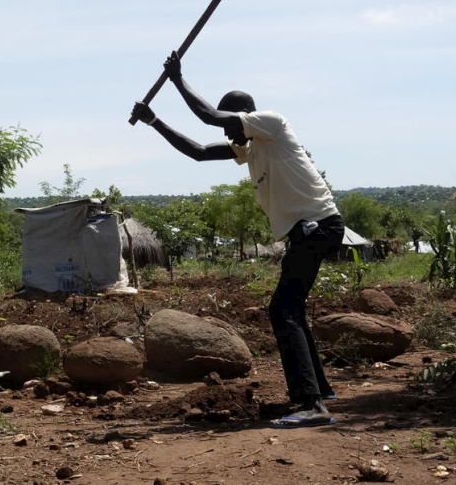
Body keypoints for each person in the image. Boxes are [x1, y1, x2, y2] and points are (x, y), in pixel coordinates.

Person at [131, 52, 344, 428]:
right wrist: (154, 121)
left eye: (231, 127)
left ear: (244, 115)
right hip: (307, 232)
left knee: (282, 310)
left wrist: (178, 80)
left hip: (318, 226)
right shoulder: (251, 147)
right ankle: (320, 391)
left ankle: (311, 404)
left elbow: (211, 116)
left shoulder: (272, 124)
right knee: (290, 308)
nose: (228, 136)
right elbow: (197, 152)